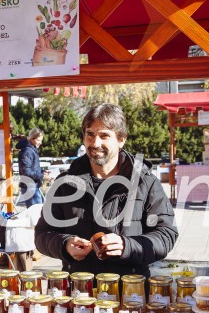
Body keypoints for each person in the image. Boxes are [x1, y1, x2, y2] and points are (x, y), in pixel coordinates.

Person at [34, 103, 178, 277]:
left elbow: (166, 234)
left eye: (104, 136)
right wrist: (64, 245)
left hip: (129, 292)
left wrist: (128, 246)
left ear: (121, 139)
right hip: (80, 291)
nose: (95, 143)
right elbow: (42, 234)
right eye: (90, 134)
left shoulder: (145, 183)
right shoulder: (64, 184)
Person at [17, 128, 45, 207]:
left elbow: (32, 168)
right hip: (30, 186)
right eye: (38, 140)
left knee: (37, 213)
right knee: (36, 214)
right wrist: (42, 175)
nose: (40, 143)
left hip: (33, 185)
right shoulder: (27, 151)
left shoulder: (31, 150)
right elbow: (26, 172)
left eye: (41, 140)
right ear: (32, 138)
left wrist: (42, 172)